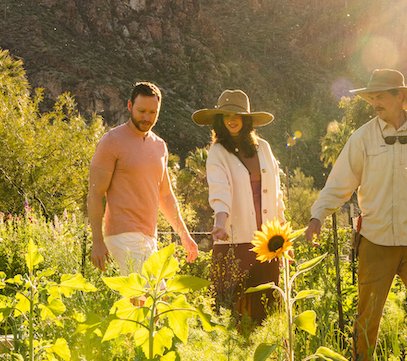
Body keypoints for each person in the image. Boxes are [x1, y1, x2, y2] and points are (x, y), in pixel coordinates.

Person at [304, 69, 407, 361]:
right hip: (375, 240)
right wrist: (317, 214)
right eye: (371, 97)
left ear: (399, 96)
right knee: (366, 319)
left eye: (380, 96)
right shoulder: (362, 138)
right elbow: (339, 182)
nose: (374, 102)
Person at [193, 90, 286, 325]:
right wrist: (220, 224)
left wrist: (283, 234)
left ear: (247, 119)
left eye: (237, 115)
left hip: (267, 244)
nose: (231, 120)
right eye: (226, 116)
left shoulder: (264, 148)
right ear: (220, 120)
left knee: (266, 315)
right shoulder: (218, 152)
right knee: (230, 314)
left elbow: (276, 192)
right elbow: (220, 190)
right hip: (235, 244)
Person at [88, 81, 198, 275]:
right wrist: (97, 241)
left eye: (153, 112)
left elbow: (165, 195)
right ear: (130, 106)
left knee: (147, 303)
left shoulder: (160, 146)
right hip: (122, 236)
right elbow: (95, 193)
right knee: (153, 298)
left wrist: (184, 234)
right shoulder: (111, 141)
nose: (147, 117)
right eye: (141, 111)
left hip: (149, 238)